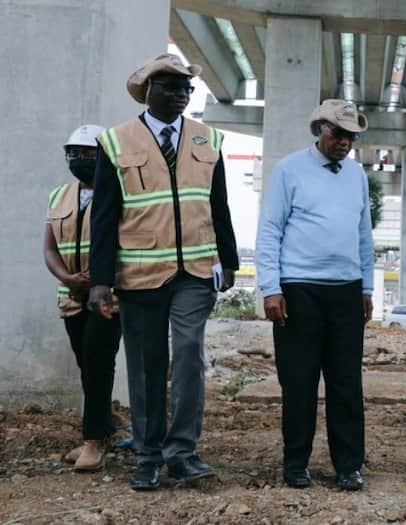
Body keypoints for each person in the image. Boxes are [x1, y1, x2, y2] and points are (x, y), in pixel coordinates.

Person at [88, 53, 238, 491]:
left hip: (195, 270)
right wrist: (101, 279)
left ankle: (183, 453)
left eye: (186, 89)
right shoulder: (115, 142)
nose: (181, 95)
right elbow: (104, 216)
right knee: (147, 363)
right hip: (139, 274)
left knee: (189, 354)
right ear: (148, 91)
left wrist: (228, 260)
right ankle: (149, 455)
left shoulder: (209, 140)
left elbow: (219, 205)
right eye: (171, 87)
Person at [256, 99, 373, 491]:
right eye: (337, 133)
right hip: (298, 290)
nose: (344, 142)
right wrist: (271, 288)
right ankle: (295, 464)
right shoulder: (289, 170)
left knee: (345, 382)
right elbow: (270, 230)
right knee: (299, 382)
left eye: (351, 136)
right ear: (318, 130)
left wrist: (367, 286)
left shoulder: (357, 175)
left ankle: (348, 465)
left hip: (346, 291)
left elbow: (363, 235)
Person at [43, 124, 123, 472]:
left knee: (97, 364)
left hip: (107, 297)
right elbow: (48, 247)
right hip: (71, 296)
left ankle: (94, 442)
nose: (78, 160)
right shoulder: (59, 194)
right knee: (86, 366)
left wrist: (99, 280)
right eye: (72, 153)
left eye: (87, 154)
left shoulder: (119, 192)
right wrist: (67, 277)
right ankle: (101, 433)